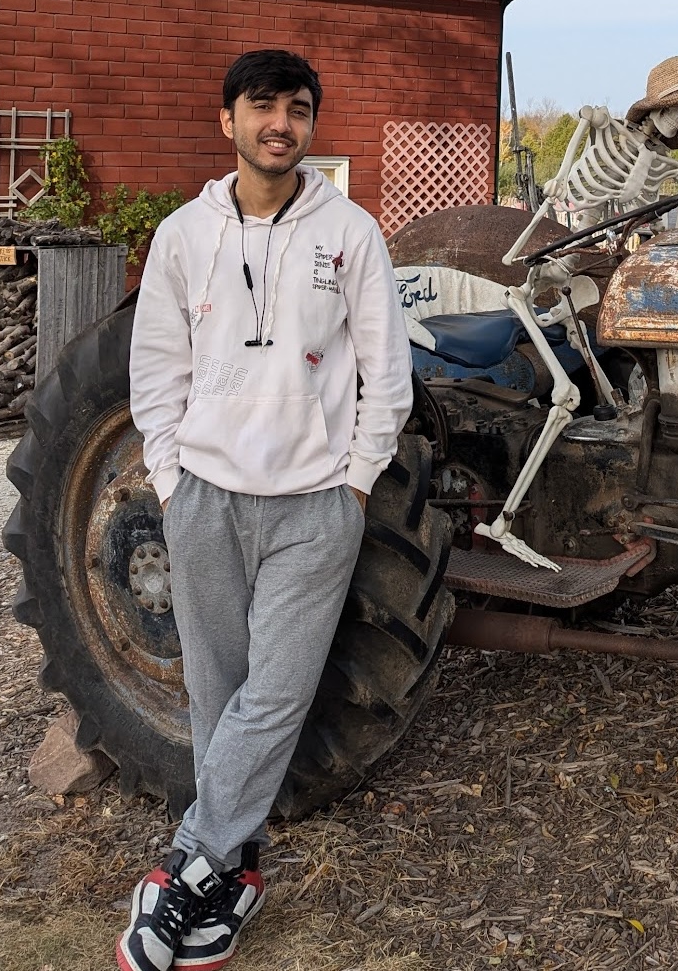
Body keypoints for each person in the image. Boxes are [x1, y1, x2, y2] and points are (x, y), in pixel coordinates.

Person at [119, 49, 414, 971]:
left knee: (276, 694)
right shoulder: (181, 235)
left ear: (311, 127)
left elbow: (387, 371)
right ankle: (237, 870)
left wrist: (356, 482)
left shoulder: (352, 232)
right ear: (228, 121)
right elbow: (155, 373)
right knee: (216, 692)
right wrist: (171, 479)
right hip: (205, 496)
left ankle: (180, 871)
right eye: (263, 106)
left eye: (298, 108)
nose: (281, 122)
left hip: (313, 508)